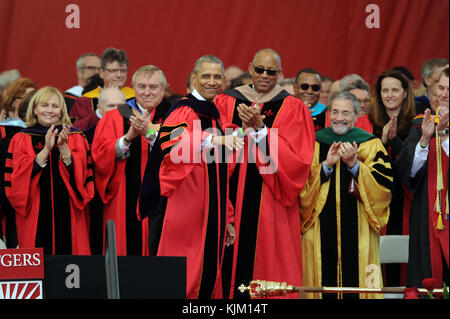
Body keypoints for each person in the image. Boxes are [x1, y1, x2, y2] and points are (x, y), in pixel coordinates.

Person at [215, 48, 315, 299]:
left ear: (281, 73)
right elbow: (213, 147)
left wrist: (261, 131)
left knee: (266, 264)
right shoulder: (226, 100)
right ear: (250, 68)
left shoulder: (293, 107)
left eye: (271, 72)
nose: (264, 76)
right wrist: (239, 130)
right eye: (259, 70)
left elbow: (299, 159)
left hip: (270, 200)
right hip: (231, 196)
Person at [140, 55, 239, 299]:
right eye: (205, 76)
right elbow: (172, 143)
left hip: (210, 210)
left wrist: (225, 215)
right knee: (183, 273)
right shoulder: (182, 109)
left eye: (217, 77)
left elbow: (220, 172)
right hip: (182, 207)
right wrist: (215, 139)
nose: (211, 81)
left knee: (206, 272)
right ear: (194, 77)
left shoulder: (214, 113)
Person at [299, 91, 392, 299]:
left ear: (356, 115)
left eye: (346, 113)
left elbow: (384, 187)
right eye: (335, 111)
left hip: (360, 230)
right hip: (320, 226)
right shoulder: (315, 142)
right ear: (328, 113)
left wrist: (355, 165)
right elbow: (302, 185)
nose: (339, 117)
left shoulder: (370, 143)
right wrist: (326, 166)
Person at [4, 87, 93, 255]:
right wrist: (45, 150)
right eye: (44, 105)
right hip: (34, 217)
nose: (50, 110)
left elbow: (84, 181)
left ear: (61, 111)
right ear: (35, 109)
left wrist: (64, 148)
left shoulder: (76, 137)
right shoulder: (21, 139)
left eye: (55, 106)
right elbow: (15, 182)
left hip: (71, 217)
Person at [91, 65, 170, 256]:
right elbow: (99, 156)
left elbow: (182, 152)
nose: (147, 92)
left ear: (164, 89)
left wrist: (150, 134)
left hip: (165, 199)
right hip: (124, 197)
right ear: (133, 88)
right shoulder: (114, 117)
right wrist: (126, 139)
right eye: (142, 86)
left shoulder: (175, 115)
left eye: (154, 87)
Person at [355, 70, 416, 286]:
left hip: (406, 201)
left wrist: (395, 142)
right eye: (384, 90)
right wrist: (381, 143)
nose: (389, 95)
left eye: (395, 90)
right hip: (372, 203)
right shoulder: (364, 123)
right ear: (378, 94)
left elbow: (416, 167)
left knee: (404, 264)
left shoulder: (416, 124)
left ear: (406, 93)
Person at [396, 67, 449, 289]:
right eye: (441, 87)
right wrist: (425, 141)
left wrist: (444, 134)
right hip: (426, 215)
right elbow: (409, 172)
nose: (444, 94)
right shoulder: (421, 122)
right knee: (427, 278)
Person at [70, 47, 134, 131]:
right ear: (101, 73)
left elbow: (150, 130)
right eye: (113, 70)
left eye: (123, 70)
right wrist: (99, 113)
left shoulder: (135, 97)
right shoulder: (86, 100)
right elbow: (74, 130)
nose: (119, 75)